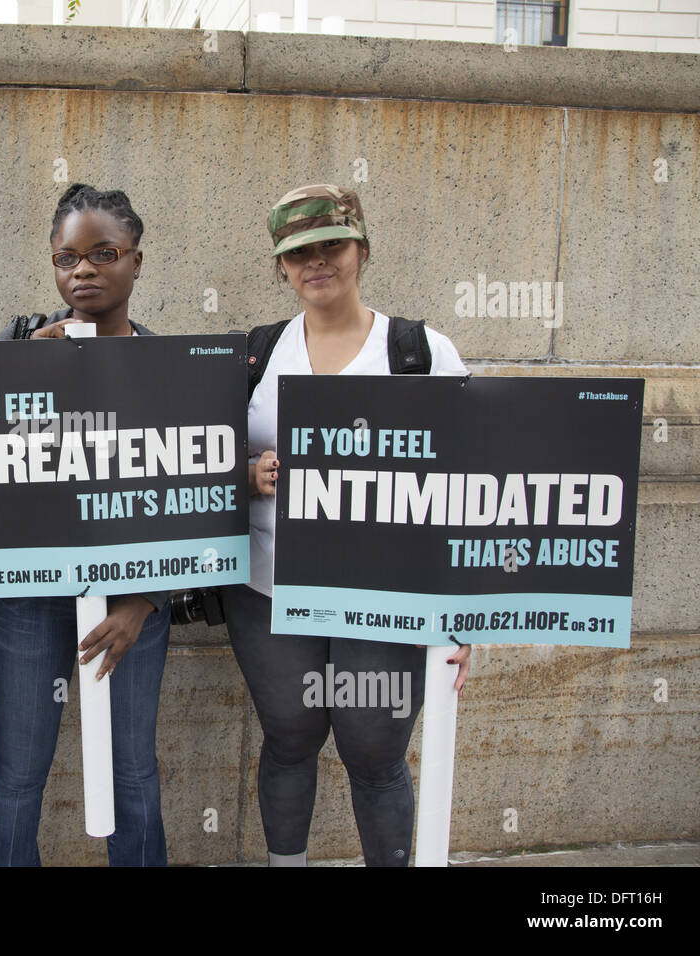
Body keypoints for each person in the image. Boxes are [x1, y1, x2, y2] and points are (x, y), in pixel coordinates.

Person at [226, 184, 472, 867]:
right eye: (297, 252)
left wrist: (462, 619)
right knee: (290, 737)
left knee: (374, 749)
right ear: (280, 265)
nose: (315, 262)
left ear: (361, 248)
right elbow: (205, 460)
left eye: (330, 245)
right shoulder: (257, 355)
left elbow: (473, 480)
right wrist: (251, 475)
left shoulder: (419, 352)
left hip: (382, 600)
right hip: (271, 590)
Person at [0, 183, 171, 866]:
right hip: (28, 598)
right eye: (66, 258)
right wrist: (21, 375)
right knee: (19, 774)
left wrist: (143, 603)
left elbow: (192, 501)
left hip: (130, 603)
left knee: (134, 772)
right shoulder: (16, 344)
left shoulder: (172, 369)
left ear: (136, 261)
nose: (83, 270)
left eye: (103, 253)